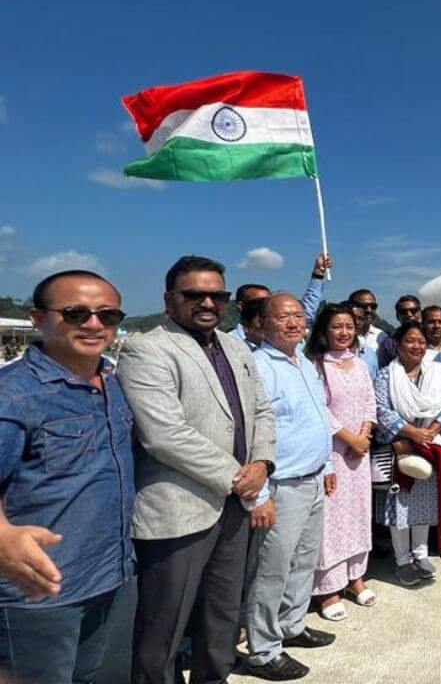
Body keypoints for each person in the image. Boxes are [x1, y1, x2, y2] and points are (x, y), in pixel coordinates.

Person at [118, 256, 276, 684]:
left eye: (217, 295)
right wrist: (240, 477)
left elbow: (261, 409)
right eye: (194, 294)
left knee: (222, 616)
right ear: (169, 299)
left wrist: (261, 462)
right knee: (163, 627)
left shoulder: (236, 346)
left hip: (234, 506)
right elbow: (164, 434)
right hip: (180, 508)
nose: (208, 302)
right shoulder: (146, 348)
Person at [0, 271, 134, 682]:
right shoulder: (14, 396)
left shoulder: (113, 382)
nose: (94, 325)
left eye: (107, 315)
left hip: (111, 574)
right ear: (38, 318)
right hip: (40, 591)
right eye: (75, 314)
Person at [244, 293, 337, 680]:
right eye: (283, 317)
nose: (294, 322)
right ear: (263, 322)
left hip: (313, 477)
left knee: (303, 560)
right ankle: (263, 650)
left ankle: (291, 624)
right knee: (271, 569)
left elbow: (317, 418)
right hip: (281, 484)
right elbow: (250, 434)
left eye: (299, 315)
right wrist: (259, 494)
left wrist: (327, 462)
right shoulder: (258, 366)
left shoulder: (304, 363)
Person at [305, 304, 377, 621]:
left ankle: (355, 577)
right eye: (337, 326)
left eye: (349, 326)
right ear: (324, 330)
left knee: (358, 514)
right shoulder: (317, 365)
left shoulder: (359, 364)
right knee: (331, 520)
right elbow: (320, 411)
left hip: (359, 455)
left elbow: (370, 402)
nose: (344, 332)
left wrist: (364, 436)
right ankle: (328, 588)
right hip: (332, 452)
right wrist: (350, 438)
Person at [374, 322, 441, 587]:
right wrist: (412, 433)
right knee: (400, 507)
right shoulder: (387, 376)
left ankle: (420, 554)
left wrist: (430, 432)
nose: (417, 346)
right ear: (398, 344)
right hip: (401, 447)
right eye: (410, 341)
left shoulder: (438, 373)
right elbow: (382, 411)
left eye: (421, 341)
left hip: (430, 446)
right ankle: (402, 560)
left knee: (425, 504)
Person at [228, 253, 331, 344]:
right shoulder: (229, 343)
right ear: (241, 306)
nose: (265, 307)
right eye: (259, 303)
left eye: (269, 302)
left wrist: (317, 274)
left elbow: (307, 310)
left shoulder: (280, 335)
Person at [376, 295, 422, 369]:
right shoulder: (388, 344)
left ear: (420, 313)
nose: (409, 314)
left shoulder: (429, 337)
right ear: (397, 316)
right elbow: (383, 370)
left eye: (413, 311)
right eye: (404, 312)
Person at [347, 301, 380, 379]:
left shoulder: (370, 355)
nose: (357, 322)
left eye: (361, 319)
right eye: (353, 318)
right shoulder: (329, 353)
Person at [346, 289, 385, 356]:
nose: (369, 310)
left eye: (373, 306)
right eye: (363, 306)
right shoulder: (342, 335)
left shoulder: (382, 337)